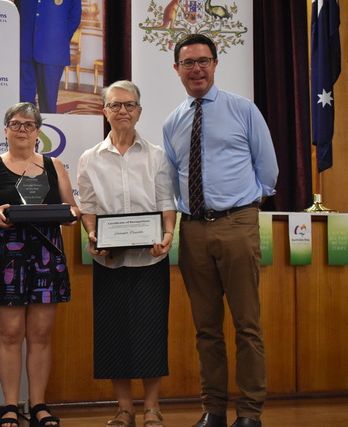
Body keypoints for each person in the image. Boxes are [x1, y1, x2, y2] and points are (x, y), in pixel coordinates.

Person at [162, 34, 278, 427]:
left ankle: (249, 413)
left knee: (247, 325)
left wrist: (245, 205)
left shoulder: (243, 109)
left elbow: (268, 169)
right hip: (192, 230)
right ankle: (212, 410)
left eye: (203, 61)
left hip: (237, 224)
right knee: (206, 329)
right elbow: (173, 179)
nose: (196, 69)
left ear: (215, 64)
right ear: (177, 69)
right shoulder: (172, 122)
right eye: (188, 62)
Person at [0, 102, 80, 427]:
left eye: (29, 125)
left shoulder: (54, 165)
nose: (22, 130)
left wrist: (69, 215)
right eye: (15, 124)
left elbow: (72, 210)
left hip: (46, 255)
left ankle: (38, 404)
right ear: (5, 130)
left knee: (41, 334)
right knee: (10, 333)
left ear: (37, 131)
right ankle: (10, 406)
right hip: (6, 256)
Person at [77, 80, 176, 427]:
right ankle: (124, 409)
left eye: (129, 105)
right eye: (115, 105)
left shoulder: (157, 155)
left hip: (151, 257)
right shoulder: (89, 158)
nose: (123, 111)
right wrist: (92, 234)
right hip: (109, 259)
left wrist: (168, 234)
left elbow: (166, 202)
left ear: (139, 111)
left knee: (151, 331)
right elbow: (88, 208)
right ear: (104, 111)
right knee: (113, 333)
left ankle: (152, 407)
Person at [16, 0, 82, 113]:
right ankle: (26, 123)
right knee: (23, 101)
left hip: (52, 52)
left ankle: (48, 125)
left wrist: (58, 39)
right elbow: (17, 11)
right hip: (25, 48)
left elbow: (74, 17)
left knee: (48, 101)